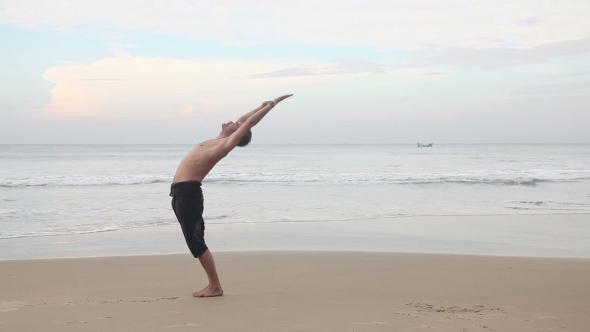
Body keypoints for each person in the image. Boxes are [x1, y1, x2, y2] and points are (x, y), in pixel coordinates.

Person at [170, 94, 293, 297]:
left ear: (235, 134)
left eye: (236, 125)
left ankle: (215, 286)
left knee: (196, 242)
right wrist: (259, 105)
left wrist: (272, 104)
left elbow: (248, 123)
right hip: (179, 193)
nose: (234, 121)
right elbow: (245, 120)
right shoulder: (217, 140)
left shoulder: (223, 146)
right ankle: (213, 285)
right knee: (194, 241)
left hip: (188, 194)